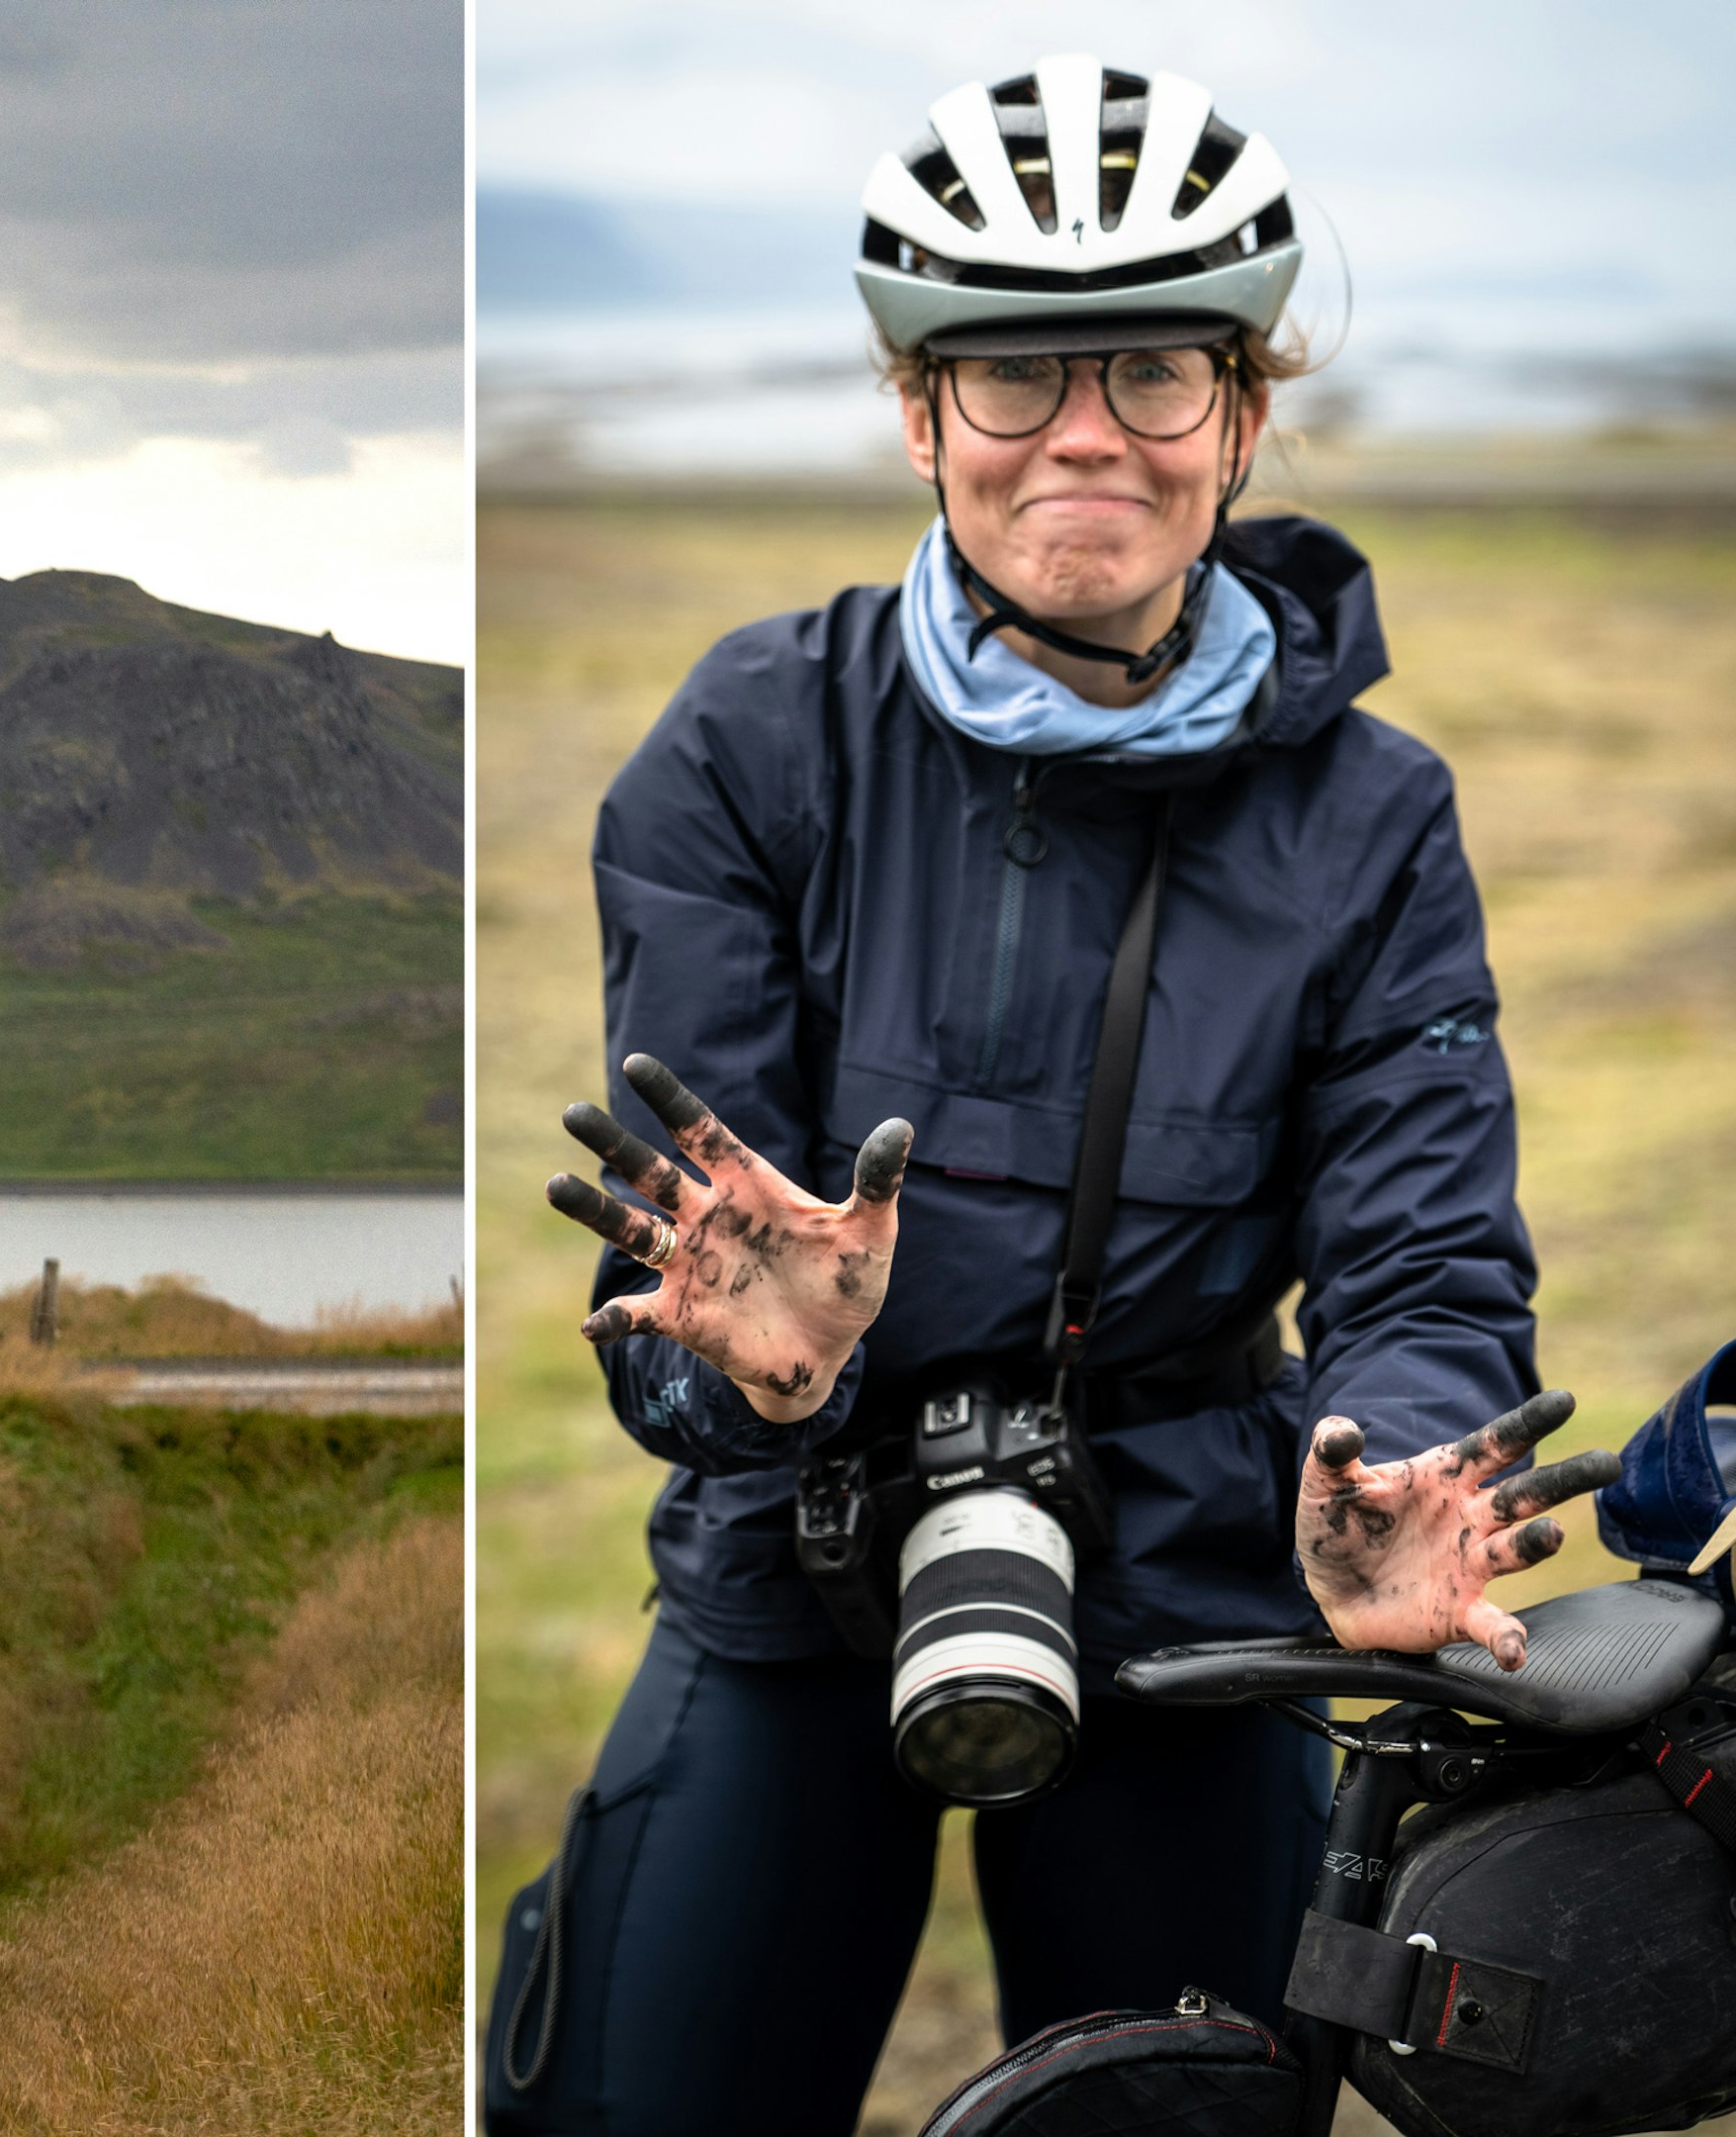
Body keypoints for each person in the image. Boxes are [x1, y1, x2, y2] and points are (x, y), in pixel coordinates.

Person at [481, 57, 1613, 2134]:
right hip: (792, 1557)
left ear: (1243, 417)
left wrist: (1399, 1476)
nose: (1083, 430)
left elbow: (1426, 1242)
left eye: (1157, 373)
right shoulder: (752, 742)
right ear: (919, 416)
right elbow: (674, 1288)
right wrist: (758, 1366)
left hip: (1192, 1566)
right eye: (1010, 377)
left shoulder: (1372, 817)